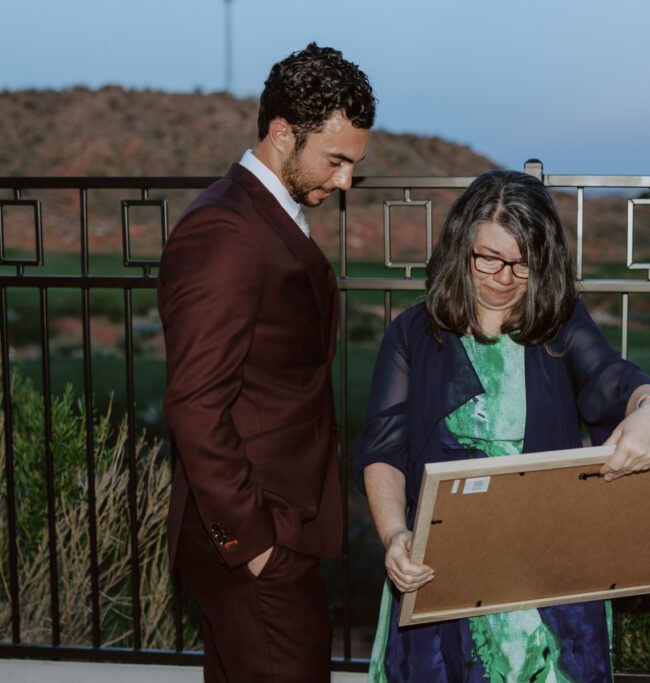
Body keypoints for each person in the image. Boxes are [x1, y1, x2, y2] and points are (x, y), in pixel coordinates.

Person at [353, 169, 650, 681]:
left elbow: (611, 379)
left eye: (523, 265)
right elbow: (384, 451)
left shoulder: (560, 320)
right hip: (441, 579)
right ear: (461, 248)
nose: (504, 278)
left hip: (548, 584)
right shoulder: (410, 335)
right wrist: (395, 535)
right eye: (489, 258)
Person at [158, 43, 375, 682]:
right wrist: (253, 546)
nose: (345, 182)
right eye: (335, 160)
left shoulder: (266, 213)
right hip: (255, 536)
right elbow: (195, 404)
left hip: (275, 526)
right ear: (283, 133)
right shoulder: (225, 231)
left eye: (353, 164)